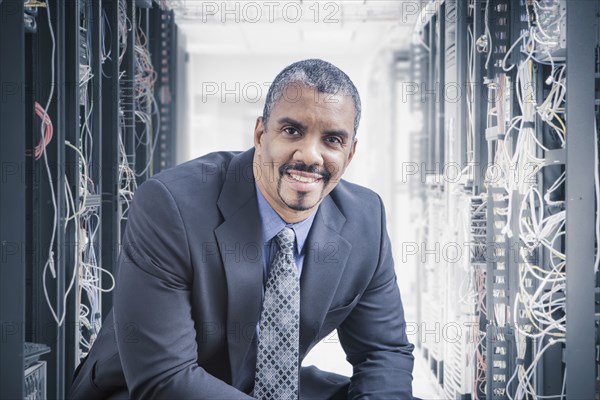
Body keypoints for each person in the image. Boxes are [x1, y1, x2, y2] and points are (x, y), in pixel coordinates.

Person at [68, 59, 414, 399]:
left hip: (260, 385)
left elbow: (382, 352)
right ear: (261, 134)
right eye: (292, 130)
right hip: (147, 387)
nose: (310, 155)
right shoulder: (170, 205)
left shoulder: (364, 218)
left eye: (332, 140)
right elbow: (164, 378)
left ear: (350, 152)